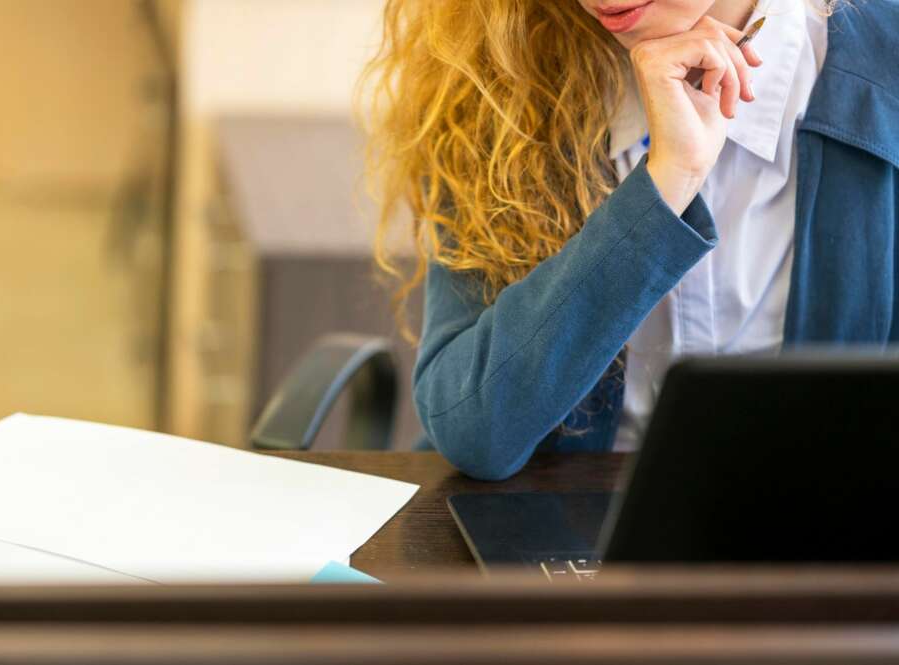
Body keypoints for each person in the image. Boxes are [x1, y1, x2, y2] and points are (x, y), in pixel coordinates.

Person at [360, 0, 899, 480]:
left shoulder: (882, 64)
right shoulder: (495, 83)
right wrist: (667, 182)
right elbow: (472, 429)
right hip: (564, 539)